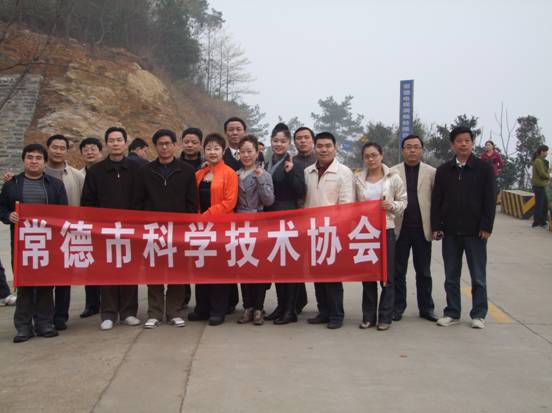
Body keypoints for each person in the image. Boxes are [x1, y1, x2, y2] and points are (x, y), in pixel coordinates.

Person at [0, 144, 68, 343]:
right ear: (23, 160)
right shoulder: (12, 184)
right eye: (30, 157)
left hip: (47, 242)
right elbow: (1, 208)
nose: (34, 161)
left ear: (44, 162)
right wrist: (8, 216)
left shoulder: (55, 185)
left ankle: (44, 323)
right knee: (25, 285)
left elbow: (63, 212)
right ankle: (23, 327)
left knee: (46, 284)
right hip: (23, 244)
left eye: (38, 158)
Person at [431, 126, 496, 329]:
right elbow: (437, 200)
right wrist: (436, 225)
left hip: (475, 232)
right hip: (450, 232)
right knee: (451, 275)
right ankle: (452, 312)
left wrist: (486, 226)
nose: (463, 144)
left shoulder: (484, 169)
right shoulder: (444, 170)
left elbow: (490, 200)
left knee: (478, 276)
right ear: (453, 144)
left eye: (467, 140)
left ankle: (479, 314)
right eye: (459, 141)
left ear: (472, 143)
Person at [134, 129, 198, 329]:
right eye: (160, 144)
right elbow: (139, 200)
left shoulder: (186, 171)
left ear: (174, 145)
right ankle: (154, 312)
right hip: (153, 229)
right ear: (155, 146)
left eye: (168, 143)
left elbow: (191, 202)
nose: (164, 147)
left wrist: (187, 227)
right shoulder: (145, 171)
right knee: (154, 270)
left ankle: (174, 312)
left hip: (178, 230)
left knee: (177, 271)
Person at [81, 126, 141, 331]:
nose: (115, 144)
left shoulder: (136, 169)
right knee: (107, 271)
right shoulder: (96, 171)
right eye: (111, 140)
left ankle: (129, 312)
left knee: (129, 270)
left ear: (125, 143)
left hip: (131, 230)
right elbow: (87, 202)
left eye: (119, 140)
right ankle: (108, 313)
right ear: (106, 144)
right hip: (104, 230)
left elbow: (143, 198)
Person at [304, 132, 354, 329]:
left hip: (332, 231)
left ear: (335, 147)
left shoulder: (343, 172)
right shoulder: (308, 171)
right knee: (317, 273)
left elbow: (347, 204)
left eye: (327, 146)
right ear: (315, 148)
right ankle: (323, 311)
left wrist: (340, 229)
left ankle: (336, 314)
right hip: (311, 230)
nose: (323, 149)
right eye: (320, 146)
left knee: (332, 275)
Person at [355, 143, 407, 331]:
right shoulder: (358, 179)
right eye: (367, 156)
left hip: (386, 229)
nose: (371, 159)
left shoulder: (393, 178)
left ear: (381, 155)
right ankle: (368, 316)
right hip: (365, 232)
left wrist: (391, 205)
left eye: (374, 155)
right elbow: (353, 204)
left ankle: (385, 317)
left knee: (387, 275)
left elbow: (403, 201)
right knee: (368, 275)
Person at [188, 133, 238, 326]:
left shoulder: (229, 173)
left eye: (216, 148)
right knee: (201, 267)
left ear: (223, 151)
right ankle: (202, 308)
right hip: (200, 229)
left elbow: (229, 202)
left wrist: (207, 215)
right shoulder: (199, 174)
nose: (212, 152)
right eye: (208, 148)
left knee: (218, 270)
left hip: (220, 229)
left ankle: (218, 310)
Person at [390, 135, 437, 322]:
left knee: (423, 271)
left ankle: (426, 308)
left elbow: (437, 201)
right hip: (399, 228)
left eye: (416, 147)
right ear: (402, 150)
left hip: (422, 229)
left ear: (422, 151)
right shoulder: (392, 172)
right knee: (398, 271)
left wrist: (437, 226)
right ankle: (397, 307)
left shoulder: (432, 172)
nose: (412, 150)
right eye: (408, 147)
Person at [264, 123, 306, 325]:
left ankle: (290, 310)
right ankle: (281, 306)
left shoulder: (294, 163)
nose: (278, 144)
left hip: (289, 219)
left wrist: (290, 173)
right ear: (271, 141)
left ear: (289, 143)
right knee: (276, 266)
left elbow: (301, 191)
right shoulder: (266, 163)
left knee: (289, 267)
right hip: (270, 219)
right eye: (275, 141)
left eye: (282, 141)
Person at [44, 134, 85, 330]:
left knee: (63, 277)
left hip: (68, 233)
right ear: (48, 148)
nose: (58, 151)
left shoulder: (76, 176)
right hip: (42, 234)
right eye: (55, 147)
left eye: (62, 148)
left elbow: (86, 204)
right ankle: (43, 316)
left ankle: (60, 316)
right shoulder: (37, 171)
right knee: (42, 278)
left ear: (67, 151)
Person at [235, 135, 274, 326]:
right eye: (242, 151)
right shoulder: (234, 174)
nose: (246, 155)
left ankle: (259, 308)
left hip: (258, 224)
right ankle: (247, 307)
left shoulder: (264, 174)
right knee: (244, 267)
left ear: (257, 152)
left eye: (249, 151)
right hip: (239, 225)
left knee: (258, 268)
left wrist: (259, 179)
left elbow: (269, 200)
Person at [222, 117, 249, 311]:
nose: (234, 133)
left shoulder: (256, 154)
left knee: (248, 259)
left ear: (244, 131)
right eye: (231, 129)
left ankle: (251, 304)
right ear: (226, 133)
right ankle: (229, 301)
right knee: (227, 259)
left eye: (238, 129)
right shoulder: (220, 155)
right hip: (227, 215)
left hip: (249, 217)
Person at [291, 126, 317, 312]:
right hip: (296, 218)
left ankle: (326, 306)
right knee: (295, 261)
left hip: (318, 220)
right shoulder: (290, 162)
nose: (303, 141)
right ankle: (297, 301)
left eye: (306, 137)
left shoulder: (321, 161)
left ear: (313, 141)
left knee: (320, 261)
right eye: (299, 138)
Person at [78, 137, 104, 318]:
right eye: (85, 149)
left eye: (93, 148)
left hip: (104, 226)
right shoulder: (76, 175)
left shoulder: (105, 171)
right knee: (89, 265)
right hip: (82, 226)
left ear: (100, 151)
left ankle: (107, 302)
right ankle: (91, 304)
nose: (89, 152)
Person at [179, 127, 204, 308]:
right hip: (182, 219)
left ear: (200, 144)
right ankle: (182, 297)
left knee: (203, 259)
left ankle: (204, 302)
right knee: (182, 260)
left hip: (204, 218)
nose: (190, 145)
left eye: (194, 142)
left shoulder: (206, 164)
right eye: (186, 141)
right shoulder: (175, 164)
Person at [531, 145, 550, 228]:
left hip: (542, 185)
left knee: (544, 204)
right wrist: (549, 176)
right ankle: (537, 222)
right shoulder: (538, 161)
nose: (547, 153)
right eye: (546, 151)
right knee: (540, 205)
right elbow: (542, 173)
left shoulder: (542, 161)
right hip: (539, 186)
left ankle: (542, 222)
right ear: (542, 152)